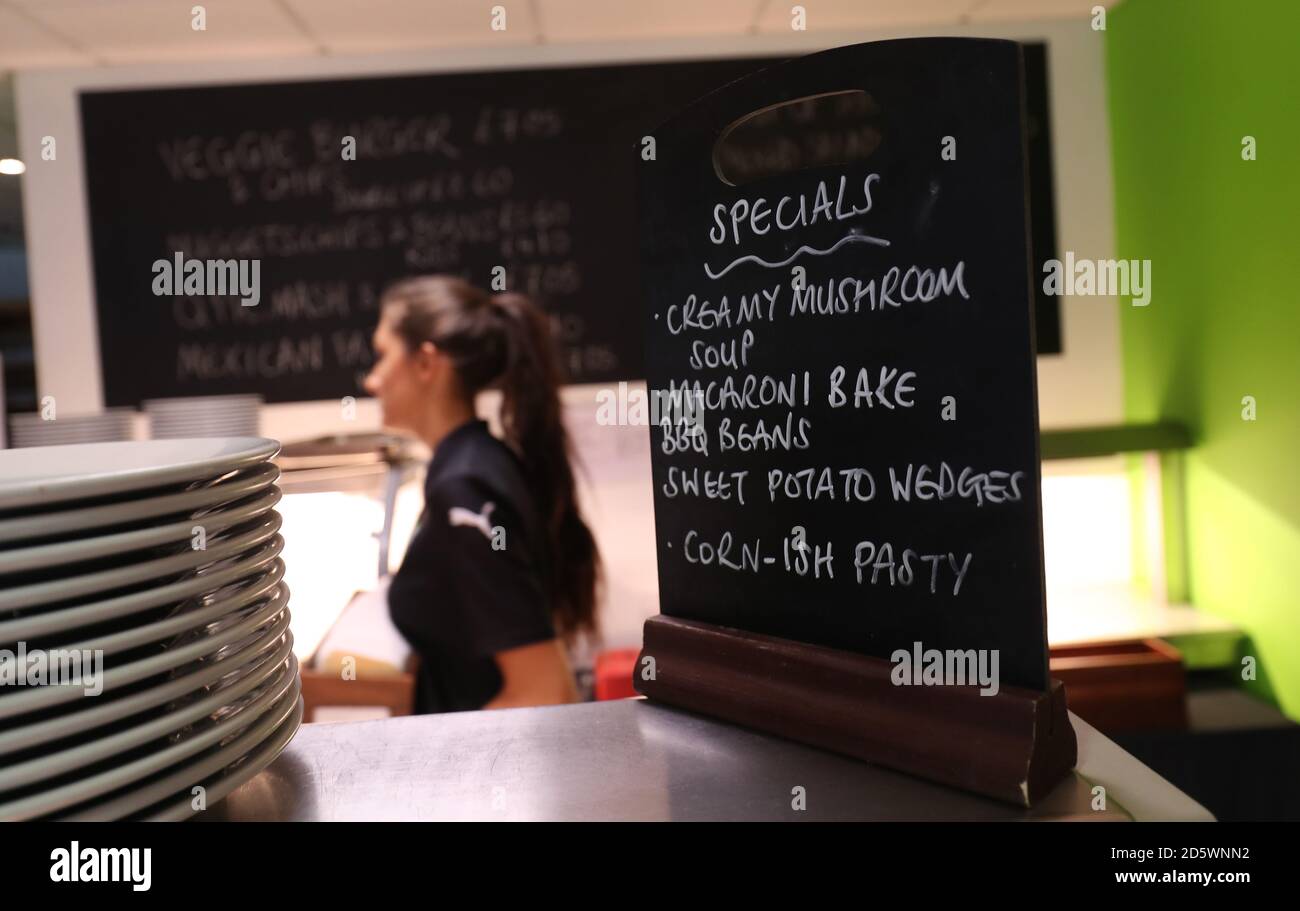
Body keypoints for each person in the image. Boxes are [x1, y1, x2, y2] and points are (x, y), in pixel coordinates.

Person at [362, 275, 601, 713]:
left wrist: (439, 770)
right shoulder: (472, 464)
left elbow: (542, 689)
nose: (372, 380)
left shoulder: (464, 489)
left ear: (426, 363)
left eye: (382, 355)